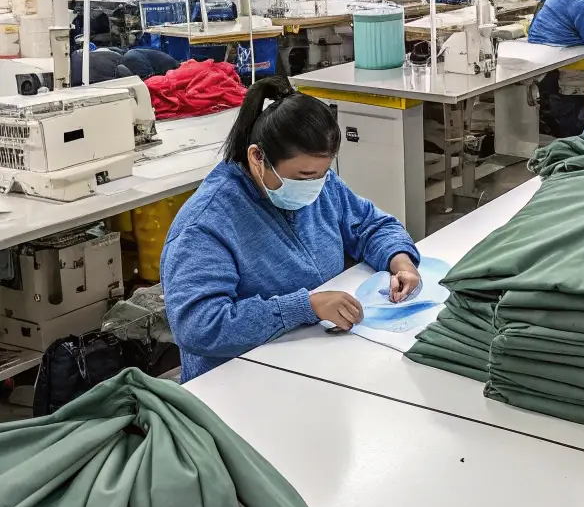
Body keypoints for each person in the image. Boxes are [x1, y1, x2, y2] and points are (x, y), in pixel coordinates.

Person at [161, 77, 422, 381]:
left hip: (315, 360)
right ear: (257, 157)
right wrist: (305, 307)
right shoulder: (206, 225)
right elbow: (199, 327)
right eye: (305, 176)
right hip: (237, 382)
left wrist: (401, 262)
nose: (316, 186)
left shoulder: (319, 185)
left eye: (323, 173)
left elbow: (369, 224)